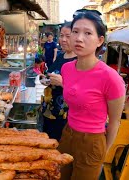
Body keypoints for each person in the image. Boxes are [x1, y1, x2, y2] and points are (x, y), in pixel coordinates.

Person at [51, 12, 125, 180]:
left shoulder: (111, 78)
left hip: (92, 142)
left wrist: (102, 153)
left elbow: (114, 122)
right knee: (58, 176)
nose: (79, 38)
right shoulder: (67, 69)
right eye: (75, 32)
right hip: (68, 134)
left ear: (99, 40)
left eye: (88, 33)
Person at [42, 22, 77, 141]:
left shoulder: (79, 60)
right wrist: (45, 79)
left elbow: (82, 90)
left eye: (68, 36)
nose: (63, 40)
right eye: (61, 36)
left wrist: (62, 83)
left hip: (65, 116)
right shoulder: (61, 56)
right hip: (50, 112)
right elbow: (52, 74)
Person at [107, 47, 129, 120]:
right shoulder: (110, 67)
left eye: (123, 57)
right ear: (116, 58)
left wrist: (126, 96)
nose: (122, 59)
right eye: (119, 57)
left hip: (126, 96)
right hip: (111, 95)